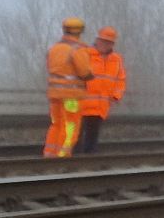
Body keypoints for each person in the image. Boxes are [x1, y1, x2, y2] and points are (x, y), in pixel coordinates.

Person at [43, 16, 95, 158]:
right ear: (80, 31)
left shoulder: (54, 49)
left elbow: (50, 68)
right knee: (70, 125)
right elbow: (84, 72)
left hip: (54, 94)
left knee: (56, 124)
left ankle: (49, 154)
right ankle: (63, 156)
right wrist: (91, 75)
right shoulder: (77, 49)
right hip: (71, 96)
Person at [78, 26, 127, 155]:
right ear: (97, 40)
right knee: (76, 133)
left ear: (113, 43)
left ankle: (88, 158)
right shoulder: (85, 54)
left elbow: (121, 80)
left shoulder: (117, 59)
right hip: (81, 102)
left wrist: (116, 95)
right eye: (104, 41)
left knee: (92, 134)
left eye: (109, 42)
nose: (106, 44)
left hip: (101, 105)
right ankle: (75, 157)